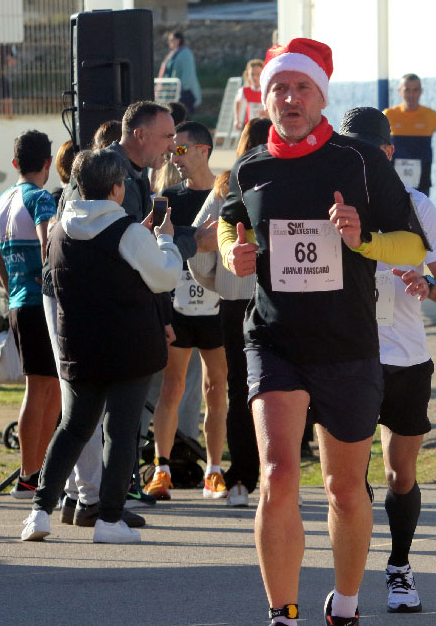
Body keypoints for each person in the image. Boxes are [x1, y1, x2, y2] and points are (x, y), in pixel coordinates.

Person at [218, 37, 427, 626]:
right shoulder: (251, 165)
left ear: (321, 95)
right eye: (279, 88)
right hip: (275, 338)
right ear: (266, 98)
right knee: (279, 476)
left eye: (301, 87)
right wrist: (239, 249)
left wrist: (362, 238)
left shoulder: (359, 161)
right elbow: (235, 220)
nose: (289, 97)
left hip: (347, 345)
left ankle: (348, 603)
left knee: (342, 487)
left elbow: (414, 245)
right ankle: (283, 612)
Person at [21, 147, 183, 544]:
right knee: (121, 433)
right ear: (117, 188)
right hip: (129, 347)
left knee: (72, 428)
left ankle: (39, 512)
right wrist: (164, 242)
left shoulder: (60, 227)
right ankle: (110, 519)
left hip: (78, 344)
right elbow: (164, 277)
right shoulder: (127, 230)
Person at [338, 106, 436, 613]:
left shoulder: (417, 208)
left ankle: (400, 567)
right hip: (346, 361)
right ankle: (350, 578)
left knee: (400, 475)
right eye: (348, 153)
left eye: (368, 153)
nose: (358, 163)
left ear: (389, 153)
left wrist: (429, 284)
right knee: (349, 478)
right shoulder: (332, 208)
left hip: (407, 361)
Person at [188, 117, 270, 508]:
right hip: (281, 299)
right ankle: (275, 472)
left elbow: (199, 250)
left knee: (240, 390)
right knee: (283, 388)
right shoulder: (282, 182)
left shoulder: (224, 188)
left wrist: (221, 285)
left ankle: (240, 477)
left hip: (234, 302)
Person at [145, 121, 228, 501]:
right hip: (178, 305)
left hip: (216, 306)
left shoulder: (225, 194)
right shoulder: (167, 196)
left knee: (216, 388)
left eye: (181, 149)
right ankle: (161, 469)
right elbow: (156, 245)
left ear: (203, 150)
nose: (174, 157)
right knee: (172, 387)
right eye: (172, 150)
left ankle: (213, 469)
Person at [0, 130, 62, 499]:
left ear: (15, 163)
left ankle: (38, 471)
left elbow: (0, 262)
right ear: (47, 163)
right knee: (42, 391)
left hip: (18, 301)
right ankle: (29, 475)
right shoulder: (40, 198)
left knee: (47, 390)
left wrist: (15, 285)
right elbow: (48, 242)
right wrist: (47, 275)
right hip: (42, 304)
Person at [383, 73, 436, 196]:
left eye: (415, 90)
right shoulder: (388, 115)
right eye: (407, 90)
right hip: (392, 179)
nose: (411, 95)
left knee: (420, 214)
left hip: (421, 181)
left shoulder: (432, 116)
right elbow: (374, 140)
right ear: (399, 91)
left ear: (421, 92)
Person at [158, 32, 202, 116]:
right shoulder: (173, 54)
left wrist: (178, 89)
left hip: (183, 93)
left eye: (171, 40)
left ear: (178, 40)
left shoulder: (186, 54)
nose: (169, 43)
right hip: (172, 94)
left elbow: (187, 75)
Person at [234, 59, 267, 130]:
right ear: (248, 75)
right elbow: (237, 101)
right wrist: (237, 119)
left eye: (258, 74)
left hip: (265, 127)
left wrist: (268, 114)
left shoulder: (268, 91)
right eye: (252, 74)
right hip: (249, 127)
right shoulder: (244, 90)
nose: (255, 77)